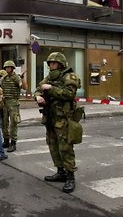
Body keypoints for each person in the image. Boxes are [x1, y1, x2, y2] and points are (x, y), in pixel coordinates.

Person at [34, 52, 81, 193]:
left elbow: (69, 94)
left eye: (54, 63)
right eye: (50, 63)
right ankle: (60, 172)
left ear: (61, 63)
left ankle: (70, 176)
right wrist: (37, 97)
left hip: (64, 118)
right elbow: (38, 88)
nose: (51, 66)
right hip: (50, 117)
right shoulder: (49, 77)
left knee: (65, 147)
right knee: (53, 145)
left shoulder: (69, 76)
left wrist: (51, 89)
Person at [0, 60, 28, 152]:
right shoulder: (4, 78)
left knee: (13, 123)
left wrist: (22, 78)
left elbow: (24, 87)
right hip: (4, 102)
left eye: (9, 67)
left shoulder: (16, 78)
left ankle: (13, 143)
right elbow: (0, 89)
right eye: (6, 67)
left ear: (12, 68)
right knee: (4, 123)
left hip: (13, 102)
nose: (7, 69)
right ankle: (6, 140)